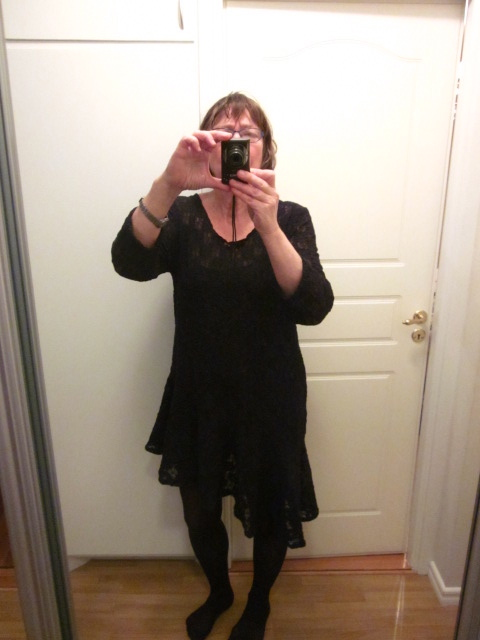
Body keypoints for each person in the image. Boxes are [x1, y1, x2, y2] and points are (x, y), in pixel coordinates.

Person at [111, 92, 334, 640]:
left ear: (264, 150)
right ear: (207, 147)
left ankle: (258, 603)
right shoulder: (182, 216)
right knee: (200, 510)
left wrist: (268, 224)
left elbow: (313, 306)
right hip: (198, 395)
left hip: (272, 397)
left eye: (247, 133)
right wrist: (169, 184)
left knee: (270, 509)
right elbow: (128, 262)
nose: (236, 139)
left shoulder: (291, 217)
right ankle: (219, 591)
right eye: (222, 132)